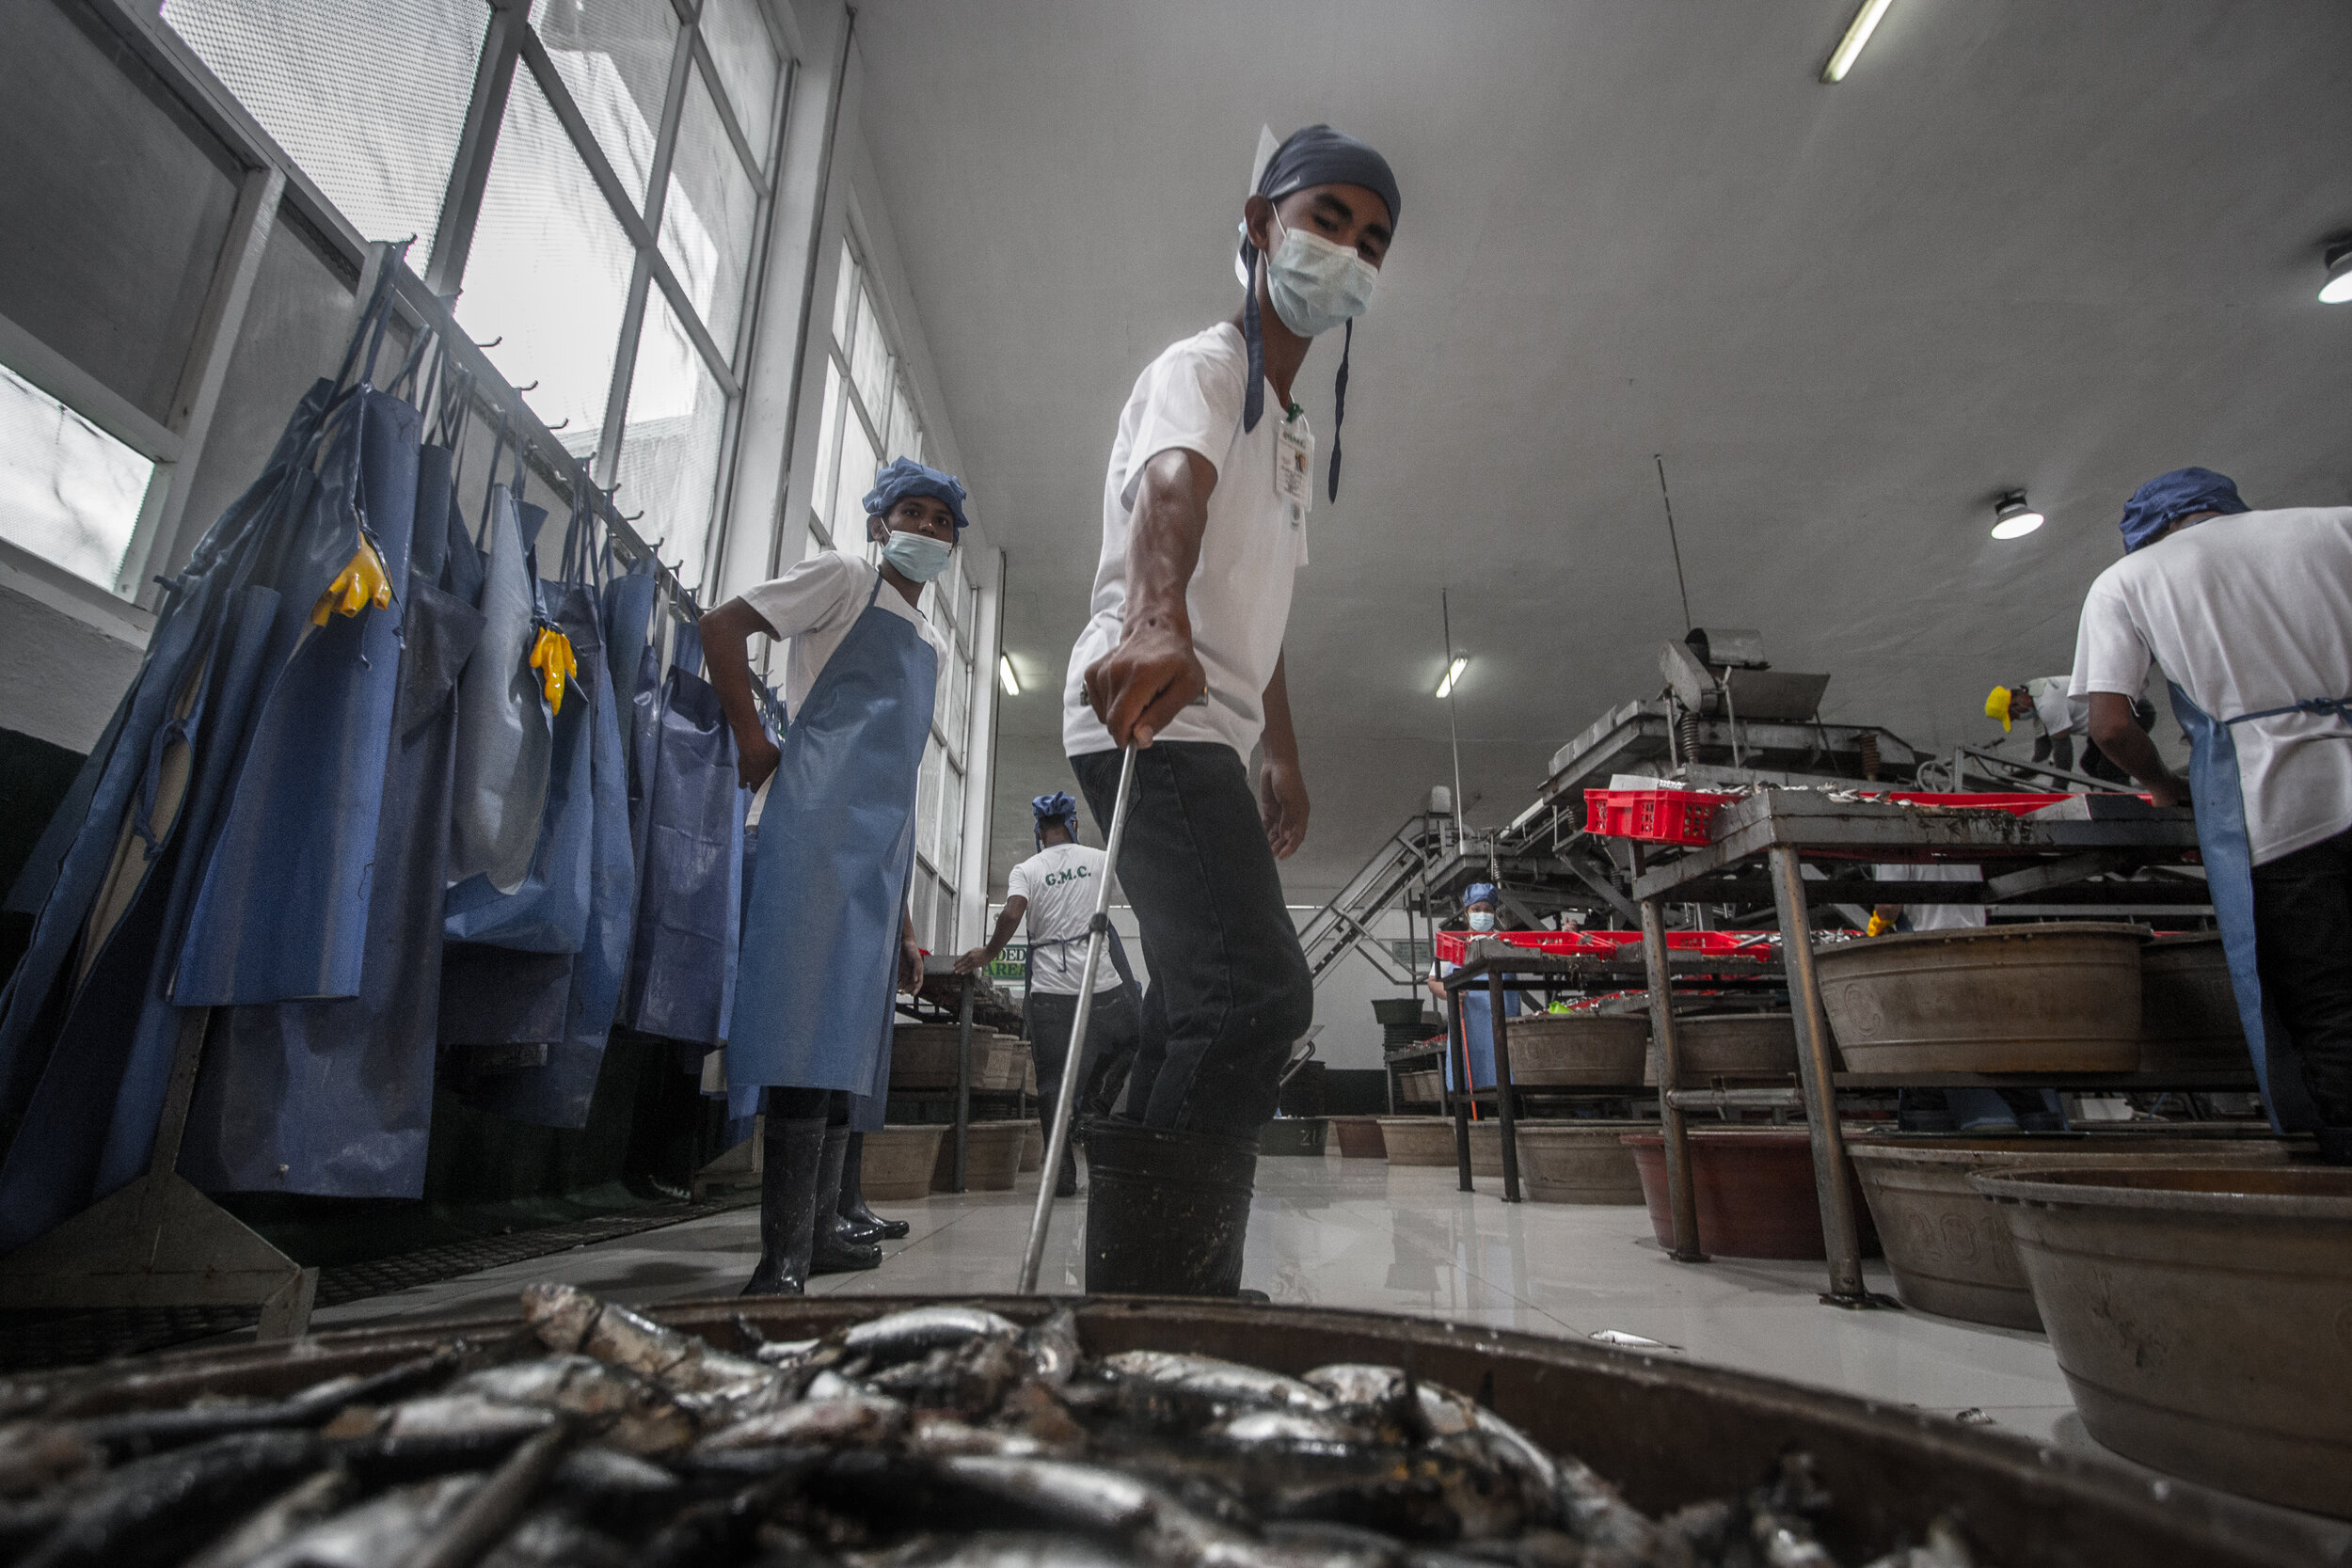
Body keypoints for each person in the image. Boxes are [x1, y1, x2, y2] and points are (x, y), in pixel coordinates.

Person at [1065, 122, 1401, 1294]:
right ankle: (1170, 1290)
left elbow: (1263, 608)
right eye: (1327, 220)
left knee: (1195, 1003)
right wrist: (1154, 615)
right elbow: (1172, 488)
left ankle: (1147, 1280)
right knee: (1255, 992)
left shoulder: (1294, 432)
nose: (1349, 252)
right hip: (1147, 704)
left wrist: (1282, 756)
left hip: (1214, 721)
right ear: (1260, 225)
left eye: (1371, 239)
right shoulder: (1202, 368)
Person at [701, 456, 966, 1292]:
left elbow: (898, 785)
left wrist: (909, 918)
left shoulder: (926, 644)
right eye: (909, 512)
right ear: (878, 523)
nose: (925, 528)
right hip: (814, 827)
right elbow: (720, 625)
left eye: (940, 518)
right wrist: (751, 738)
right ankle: (780, 1258)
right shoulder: (845, 577)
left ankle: (816, 1232)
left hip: (876, 853)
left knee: (845, 1043)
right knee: (803, 1035)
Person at [2071, 466, 2352, 1162]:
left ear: (2147, 531)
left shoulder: (2127, 582)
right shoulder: (2336, 524)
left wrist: (2163, 782)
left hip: (2280, 815)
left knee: (2333, 1007)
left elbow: (2109, 727)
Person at [954, 792, 1142, 1196]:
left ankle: (1061, 1175)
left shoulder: (1028, 868)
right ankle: (1094, 1104)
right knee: (1132, 1036)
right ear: (1074, 824)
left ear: (1039, 832)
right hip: (1101, 986)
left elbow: (1011, 912)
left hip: (1050, 993)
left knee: (1053, 1083)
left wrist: (989, 952)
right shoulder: (1099, 858)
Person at [1424, 884, 1519, 1096]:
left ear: (1495, 913)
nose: (1482, 914)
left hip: (1503, 1024)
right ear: (1467, 912)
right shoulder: (1455, 944)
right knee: (1468, 1079)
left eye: (1487, 909)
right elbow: (1433, 981)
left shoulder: (1506, 943)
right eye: (1476, 909)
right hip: (1469, 1024)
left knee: (1506, 1074)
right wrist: (1449, 991)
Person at [1984, 678, 2145, 784]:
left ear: (2016, 704)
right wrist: (2019, 777)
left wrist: (2058, 790)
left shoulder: (2047, 705)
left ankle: (2131, 810)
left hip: (2128, 714)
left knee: (2109, 771)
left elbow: (2063, 752)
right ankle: (2108, 798)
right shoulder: (2034, 695)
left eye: (2013, 716)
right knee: (2090, 763)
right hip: (2107, 722)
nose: (2016, 719)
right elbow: (2042, 753)